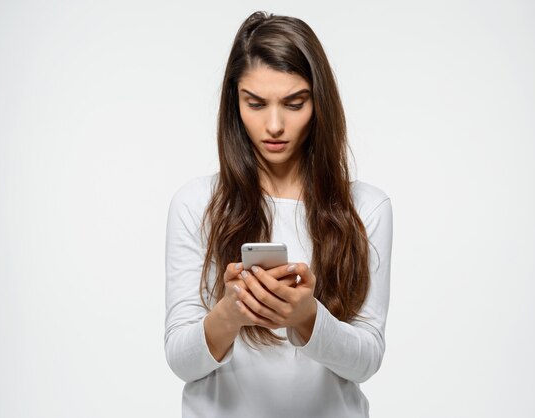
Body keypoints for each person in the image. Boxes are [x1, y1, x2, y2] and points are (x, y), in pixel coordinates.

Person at [164, 11, 393, 418]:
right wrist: (229, 313)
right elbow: (181, 361)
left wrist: (307, 318)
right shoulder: (196, 203)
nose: (274, 125)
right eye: (255, 103)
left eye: (294, 103)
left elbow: (367, 359)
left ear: (319, 103)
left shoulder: (366, 208)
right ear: (234, 102)